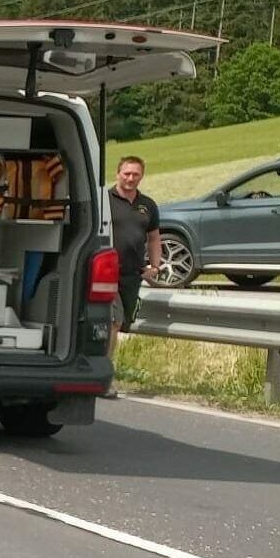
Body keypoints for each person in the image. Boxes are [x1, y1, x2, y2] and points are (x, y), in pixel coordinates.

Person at [107, 155, 161, 398]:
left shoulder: (147, 205)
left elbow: (154, 238)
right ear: (118, 173)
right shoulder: (105, 201)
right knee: (114, 322)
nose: (130, 178)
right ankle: (105, 379)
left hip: (132, 275)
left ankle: (98, 369)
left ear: (141, 176)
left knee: (119, 325)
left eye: (135, 174)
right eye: (126, 173)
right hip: (105, 274)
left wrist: (155, 266)